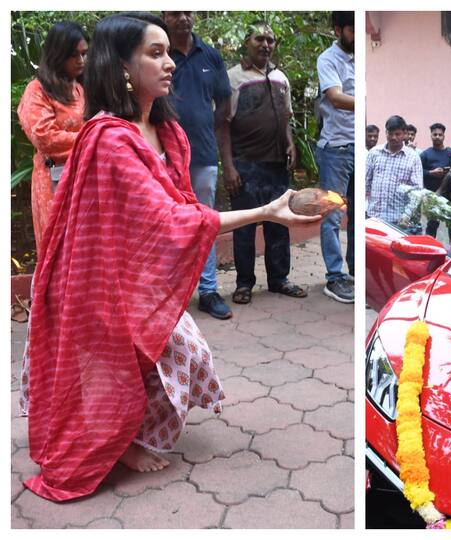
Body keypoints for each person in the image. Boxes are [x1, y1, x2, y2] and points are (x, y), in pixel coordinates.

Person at [19, 13, 320, 503]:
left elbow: (182, 211)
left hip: (138, 271)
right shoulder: (111, 138)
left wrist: (263, 211)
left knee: (180, 354)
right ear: (120, 67)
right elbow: (172, 222)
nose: (169, 64)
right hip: (99, 276)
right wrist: (267, 211)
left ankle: (126, 433)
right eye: (154, 54)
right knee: (121, 361)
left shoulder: (167, 131)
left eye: (168, 53)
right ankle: (115, 445)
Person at [226, 21, 308, 305]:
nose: (265, 44)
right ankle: (244, 283)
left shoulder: (281, 78)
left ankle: (279, 279)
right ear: (246, 43)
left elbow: (285, 118)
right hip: (245, 164)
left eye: (270, 40)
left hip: (276, 165)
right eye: (259, 39)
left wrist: (290, 142)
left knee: (279, 223)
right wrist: (229, 166)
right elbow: (222, 125)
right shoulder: (233, 78)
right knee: (245, 226)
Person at [162, 11, 233, 319]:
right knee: (165, 223)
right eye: (176, 12)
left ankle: (208, 290)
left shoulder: (211, 55)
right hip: (163, 154)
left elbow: (224, 102)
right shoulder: (158, 52)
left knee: (205, 222)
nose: (183, 18)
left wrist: (203, 127)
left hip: (203, 153)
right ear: (164, 15)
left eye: (188, 11)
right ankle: (170, 296)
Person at [17, 21, 88, 248]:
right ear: (58, 54)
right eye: (73, 55)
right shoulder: (37, 90)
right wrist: (92, 140)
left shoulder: (80, 88)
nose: (81, 60)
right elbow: (44, 137)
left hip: (84, 176)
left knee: (84, 246)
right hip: (53, 180)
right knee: (59, 247)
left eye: (84, 54)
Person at [316, 11, 355, 303]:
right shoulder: (328, 60)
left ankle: (354, 271)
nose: (355, 37)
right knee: (332, 215)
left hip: (357, 148)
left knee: (356, 217)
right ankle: (334, 277)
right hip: (336, 151)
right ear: (338, 29)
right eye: (352, 30)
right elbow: (335, 97)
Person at [366, 115, 422, 228]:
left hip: (398, 220)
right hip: (373, 217)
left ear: (404, 134)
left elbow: (417, 192)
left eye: (397, 134)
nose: (393, 137)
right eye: (390, 134)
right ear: (386, 132)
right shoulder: (374, 153)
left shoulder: (413, 158)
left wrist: (407, 215)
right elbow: (365, 183)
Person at [420, 122, 451, 236]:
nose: (437, 137)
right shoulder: (425, 154)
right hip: (433, 195)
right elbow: (417, 172)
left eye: (440, 135)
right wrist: (431, 172)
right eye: (434, 134)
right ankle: (429, 249)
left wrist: (450, 173)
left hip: (449, 194)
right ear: (431, 136)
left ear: (444, 136)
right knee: (432, 225)